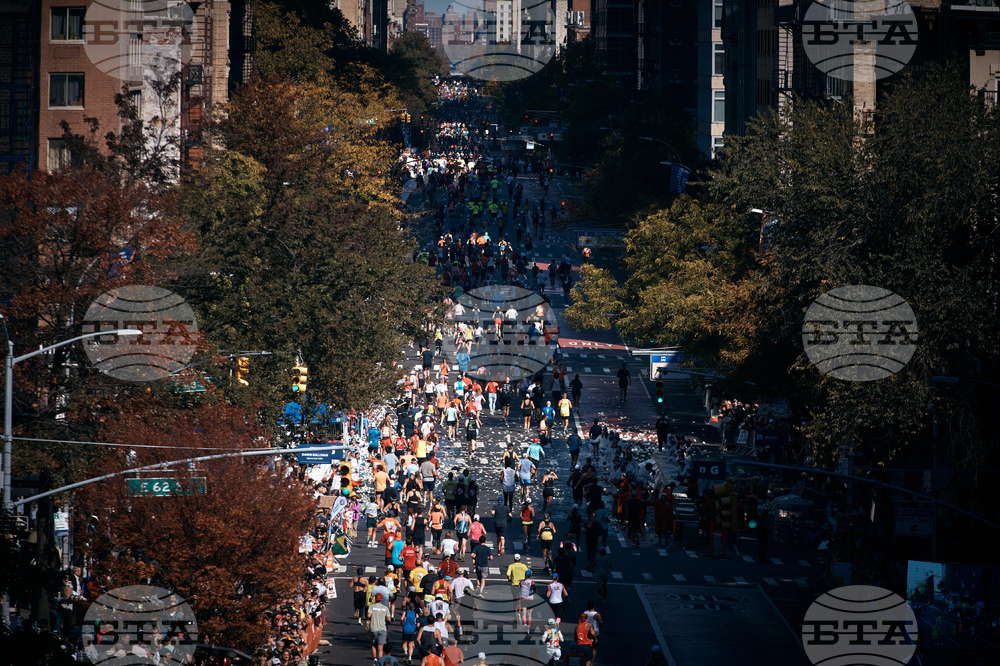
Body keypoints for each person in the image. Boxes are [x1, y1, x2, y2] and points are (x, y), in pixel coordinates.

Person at [367, 592, 390, 662]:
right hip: (382, 629)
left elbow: (368, 615)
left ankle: (375, 658)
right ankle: (380, 660)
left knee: (373, 644)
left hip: (373, 628)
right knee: (380, 646)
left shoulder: (371, 606)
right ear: (382, 599)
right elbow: (389, 619)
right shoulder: (385, 608)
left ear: (375, 599)